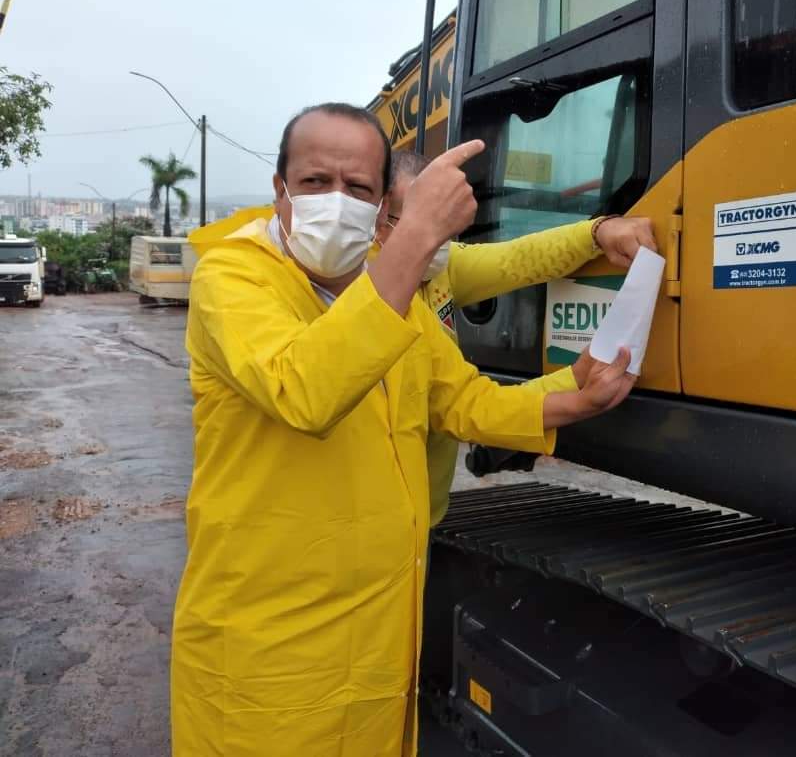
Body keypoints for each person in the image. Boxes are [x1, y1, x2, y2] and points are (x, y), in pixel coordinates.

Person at [170, 103, 636, 756]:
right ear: (279, 190)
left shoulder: (394, 295)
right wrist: (416, 237)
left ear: (377, 199)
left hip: (376, 631)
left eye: (357, 188)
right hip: (268, 643)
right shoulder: (236, 277)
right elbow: (306, 391)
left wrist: (571, 395)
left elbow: (463, 399)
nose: (337, 201)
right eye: (314, 183)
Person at [379, 150, 657, 532]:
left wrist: (598, 232)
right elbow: (467, 407)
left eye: (445, 225)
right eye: (419, 222)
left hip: (420, 518)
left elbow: (519, 259)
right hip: (377, 526)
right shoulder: (372, 298)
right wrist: (574, 384)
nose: (438, 239)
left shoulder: (437, 267)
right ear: (378, 220)